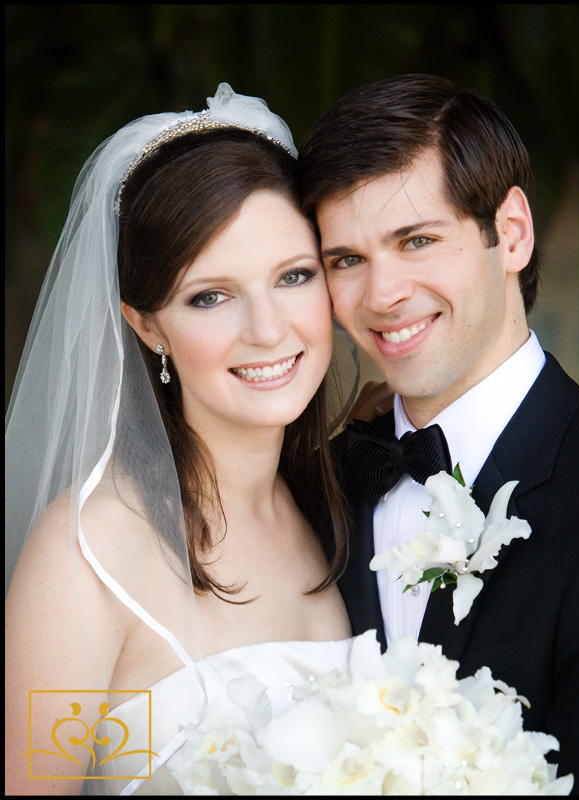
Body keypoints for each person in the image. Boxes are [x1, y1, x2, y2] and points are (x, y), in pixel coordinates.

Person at [5, 84, 361, 795]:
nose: (267, 329)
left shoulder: (339, 498)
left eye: (293, 276)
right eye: (211, 296)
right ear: (146, 324)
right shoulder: (87, 554)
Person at [297, 73, 579, 795]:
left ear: (511, 234)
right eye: (346, 260)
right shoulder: (307, 492)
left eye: (417, 239)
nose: (381, 294)